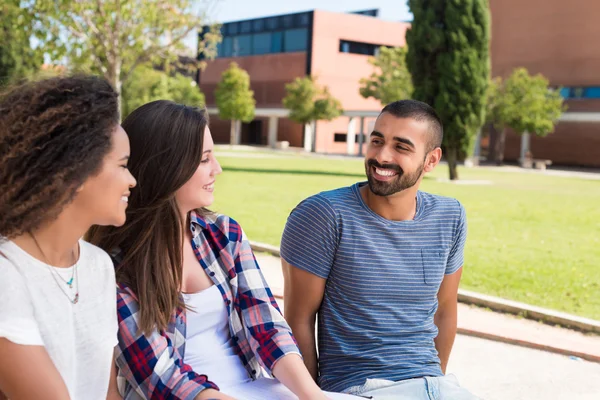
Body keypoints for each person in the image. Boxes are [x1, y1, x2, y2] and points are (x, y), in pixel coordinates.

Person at [88, 100, 358, 400]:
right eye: (204, 159)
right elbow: (159, 376)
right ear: (167, 167)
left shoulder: (224, 235)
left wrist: (313, 397)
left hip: (255, 387)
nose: (217, 168)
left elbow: (267, 328)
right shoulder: (114, 267)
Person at [280, 100, 479, 399]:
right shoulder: (324, 215)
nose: (382, 156)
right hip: (362, 387)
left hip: (435, 385)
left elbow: (445, 310)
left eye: (401, 147)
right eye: (377, 141)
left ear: (431, 160)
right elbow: (298, 320)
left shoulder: (450, 216)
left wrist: (435, 386)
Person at [0, 75, 137, 399]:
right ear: (74, 172)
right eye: (123, 165)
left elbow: (108, 394)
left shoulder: (99, 266)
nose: (132, 180)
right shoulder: (7, 273)